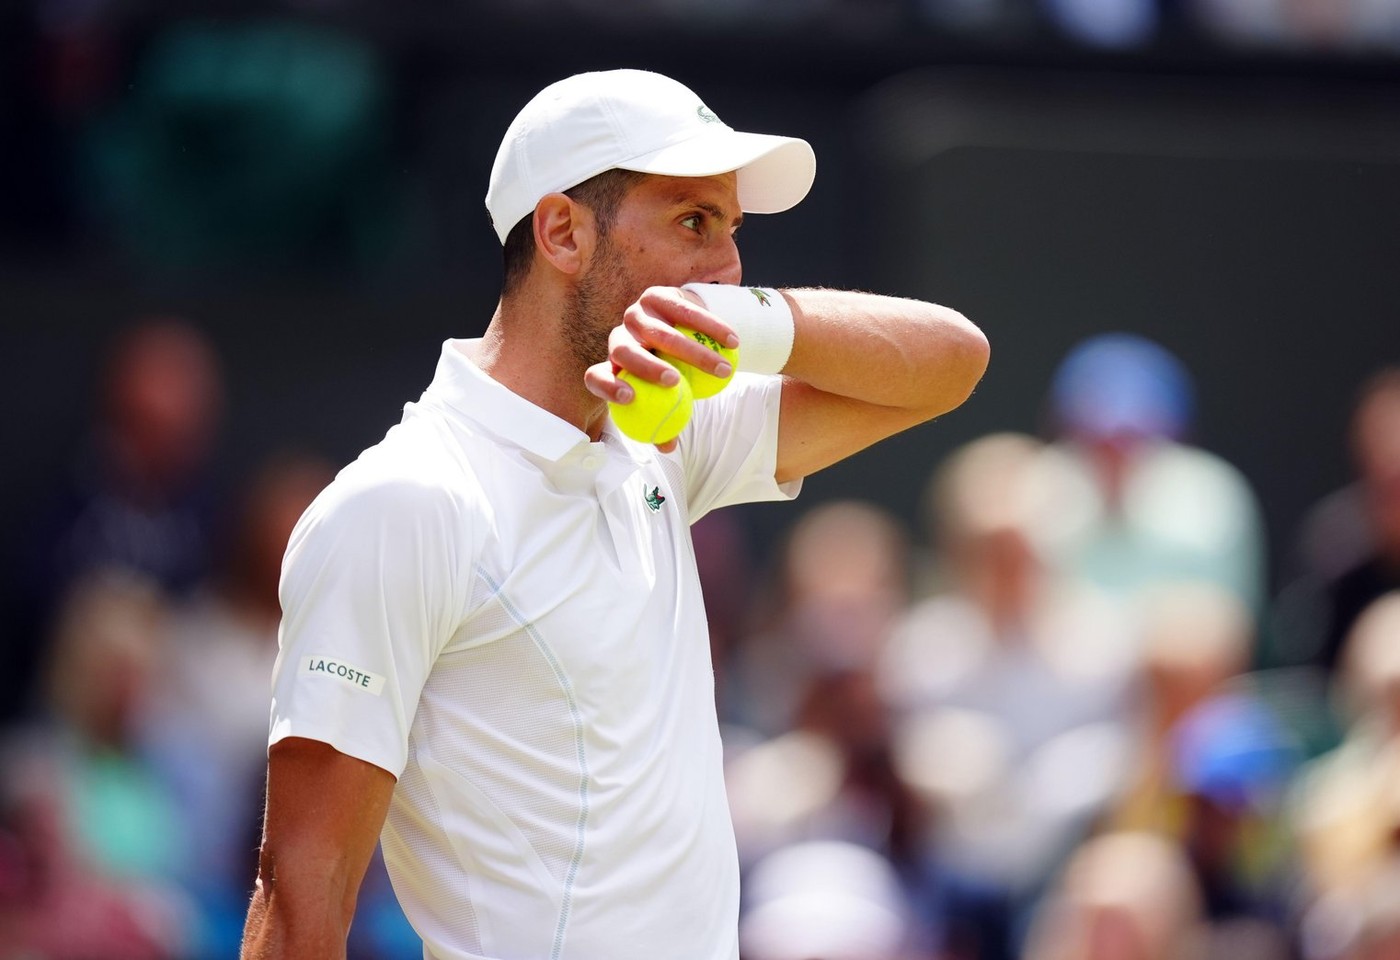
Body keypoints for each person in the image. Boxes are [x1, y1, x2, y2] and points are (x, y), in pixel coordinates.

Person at [239, 68, 988, 960]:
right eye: (692, 222)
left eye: (732, 230)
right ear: (562, 232)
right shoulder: (404, 503)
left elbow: (953, 361)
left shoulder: (664, 445)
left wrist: (753, 326)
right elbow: (301, 900)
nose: (730, 271)